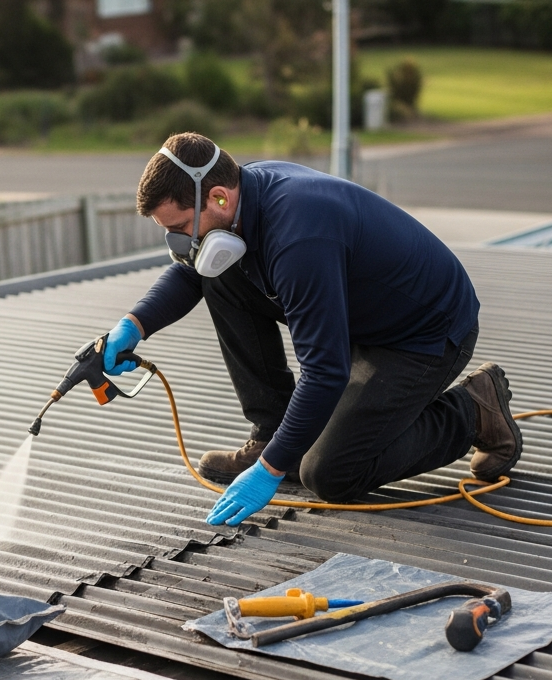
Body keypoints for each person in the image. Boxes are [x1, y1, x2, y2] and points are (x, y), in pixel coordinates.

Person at [103, 133, 522, 527]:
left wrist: (268, 472)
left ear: (218, 196)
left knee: (329, 473)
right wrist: (133, 325)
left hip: (424, 336)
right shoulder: (241, 196)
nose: (179, 243)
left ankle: (474, 410)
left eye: (180, 228)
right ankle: (272, 434)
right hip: (361, 319)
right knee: (219, 275)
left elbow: (325, 371)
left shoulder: (298, 236)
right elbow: (193, 274)